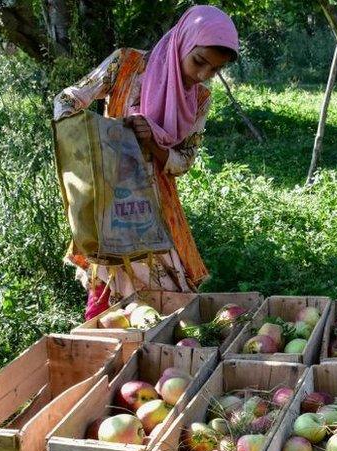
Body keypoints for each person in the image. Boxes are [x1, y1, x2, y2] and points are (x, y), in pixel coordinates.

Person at [53, 5, 238, 319]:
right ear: (183, 41)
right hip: (112, 199)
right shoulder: (127, 64)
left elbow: (184, 160)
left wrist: (153, 142)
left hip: (158, 206)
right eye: (199, 62)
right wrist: (105, 136)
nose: (202, 75)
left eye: (213, 70)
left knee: (170, 304)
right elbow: (68, 100)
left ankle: (166, 359)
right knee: (111, 301)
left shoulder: (200, 99)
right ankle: (111, 359)